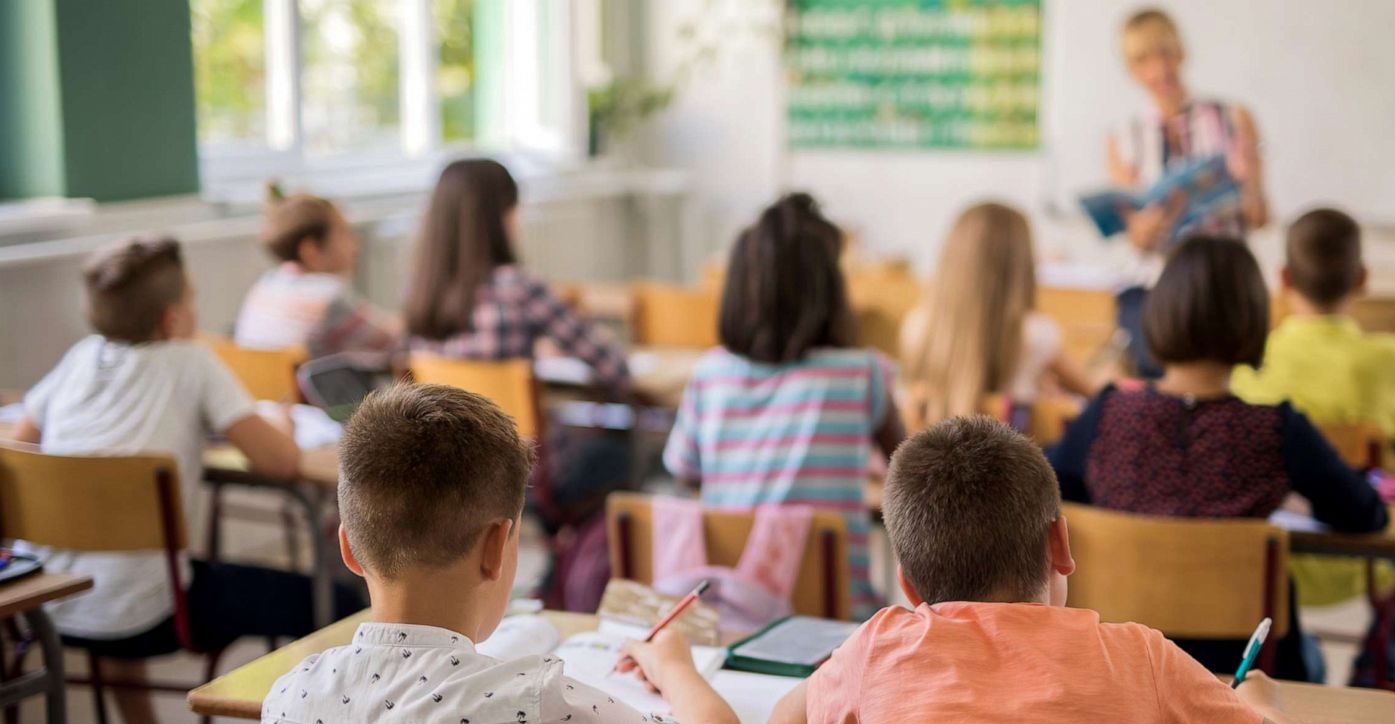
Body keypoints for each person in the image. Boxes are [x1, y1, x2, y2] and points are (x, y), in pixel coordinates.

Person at [762, 416, 1360, 724]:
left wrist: (883, 704)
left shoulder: (880, 648)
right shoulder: (1141, 660)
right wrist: (1256, 707)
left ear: (909, 585)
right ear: (1061, 544)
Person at [256, 383, 751, 724]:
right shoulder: (531, 707)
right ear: (497, 546)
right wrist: (675, 665)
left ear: (349, 548)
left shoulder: (287, 699)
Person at [7, 236, 360, 724]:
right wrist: (279, 423)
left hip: (55, 607)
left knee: (121, 575)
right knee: (339, 607)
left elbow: (25, 445)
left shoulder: (80, 358)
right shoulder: (191, 359)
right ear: (175, 317)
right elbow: (277, 461)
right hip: (160, 612)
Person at [1046, 235, 1388, 679]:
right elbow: (1366, 513)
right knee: (1315, 657)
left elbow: (1050, 497)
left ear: (1158, 312)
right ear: (1253, 319)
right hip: (1243, 682)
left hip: (1123, 671)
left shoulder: (1108, 415)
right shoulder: (1277, 430)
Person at [664, 193, 906, 611]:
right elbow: (909, 473)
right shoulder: (862, 373)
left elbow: (686, 473)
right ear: (831, 290)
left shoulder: (710, 374)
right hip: (835, 613)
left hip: (734, 608)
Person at [404, 157, 634, 525]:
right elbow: (615, 369)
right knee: (619, 451)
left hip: (446, 470)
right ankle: (568, 572)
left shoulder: (421, 290)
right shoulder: (519, 286)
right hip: (514, 472)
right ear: (499, 216)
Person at [1106, 8, 1270, 377]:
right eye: (1142, 60)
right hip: (1158, 286)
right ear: (1130, 70)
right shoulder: (1125, 137)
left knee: (1236, 380)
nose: (1158, 70)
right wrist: (1145, 226)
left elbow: (1260, 216)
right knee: (1154, 373)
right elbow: (1137, 240)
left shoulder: (1233, 118)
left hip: (1222, 279)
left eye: (1165, 53)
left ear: (1181, 52)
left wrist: (1248, 185)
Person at [1232, 208, 1395, 448]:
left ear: (1283, 278)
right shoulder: (1391, 359)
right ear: (1363, 278)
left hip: (1283, 486)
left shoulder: (1253, 361)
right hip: (1363, 485)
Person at [900, 202, 1106, 423]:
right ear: (1021, 264)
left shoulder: (916, 326)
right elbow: (1095, 394)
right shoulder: (1038, 334)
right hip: (1013, 455)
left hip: (931, 455)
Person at [234, 185, 400, 358]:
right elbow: (393, 341)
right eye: (344, 232)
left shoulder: (266, 284)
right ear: (310, 249)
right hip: (309, 385)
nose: (355, 242)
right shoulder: (328, 297)